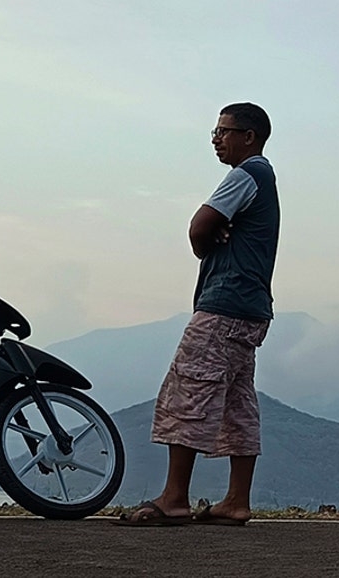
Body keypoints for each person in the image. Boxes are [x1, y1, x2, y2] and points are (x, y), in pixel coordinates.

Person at [118, 102, 280, 526]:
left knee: (187, 392)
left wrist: (205, 243)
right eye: (215, 130)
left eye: (225, 131)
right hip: (251, 310)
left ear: (250, 136)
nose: (215, 138)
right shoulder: (264, 179)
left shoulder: (246, 174)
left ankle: (174, 498)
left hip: (223, 306)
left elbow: (199, 225)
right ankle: (236, 501)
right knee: (237, 402)